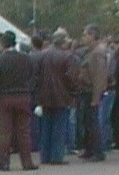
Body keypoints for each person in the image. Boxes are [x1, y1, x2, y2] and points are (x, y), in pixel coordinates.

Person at [0, 30, 38, 172]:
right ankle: (27, 162)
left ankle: (4, 163)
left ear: (2, 44)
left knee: (5, 133)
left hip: (4, 99)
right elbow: (32, 77)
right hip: (23, 97)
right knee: (24, 132)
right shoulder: (26, 58)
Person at [36, 29, 79, 165]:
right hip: (62, 96)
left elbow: (36, 76)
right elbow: (71, 77)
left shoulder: (41, 55)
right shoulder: (67, 57)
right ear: (63, 42)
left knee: (46, 127)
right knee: (59, 128)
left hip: (44, 96)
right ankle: (56, 156)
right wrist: (74, 92)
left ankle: (45, 156)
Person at [77, 24, 107, 162]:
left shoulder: (97, 53)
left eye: (85, 34)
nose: (83, 37)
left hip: (91, 92)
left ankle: (98, 151)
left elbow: (99, 76)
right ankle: (89, 149)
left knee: (93, 122)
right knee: (87, 122)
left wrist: (96, 97)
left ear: (92, 36)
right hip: (85, 91)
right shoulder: (90, 51)